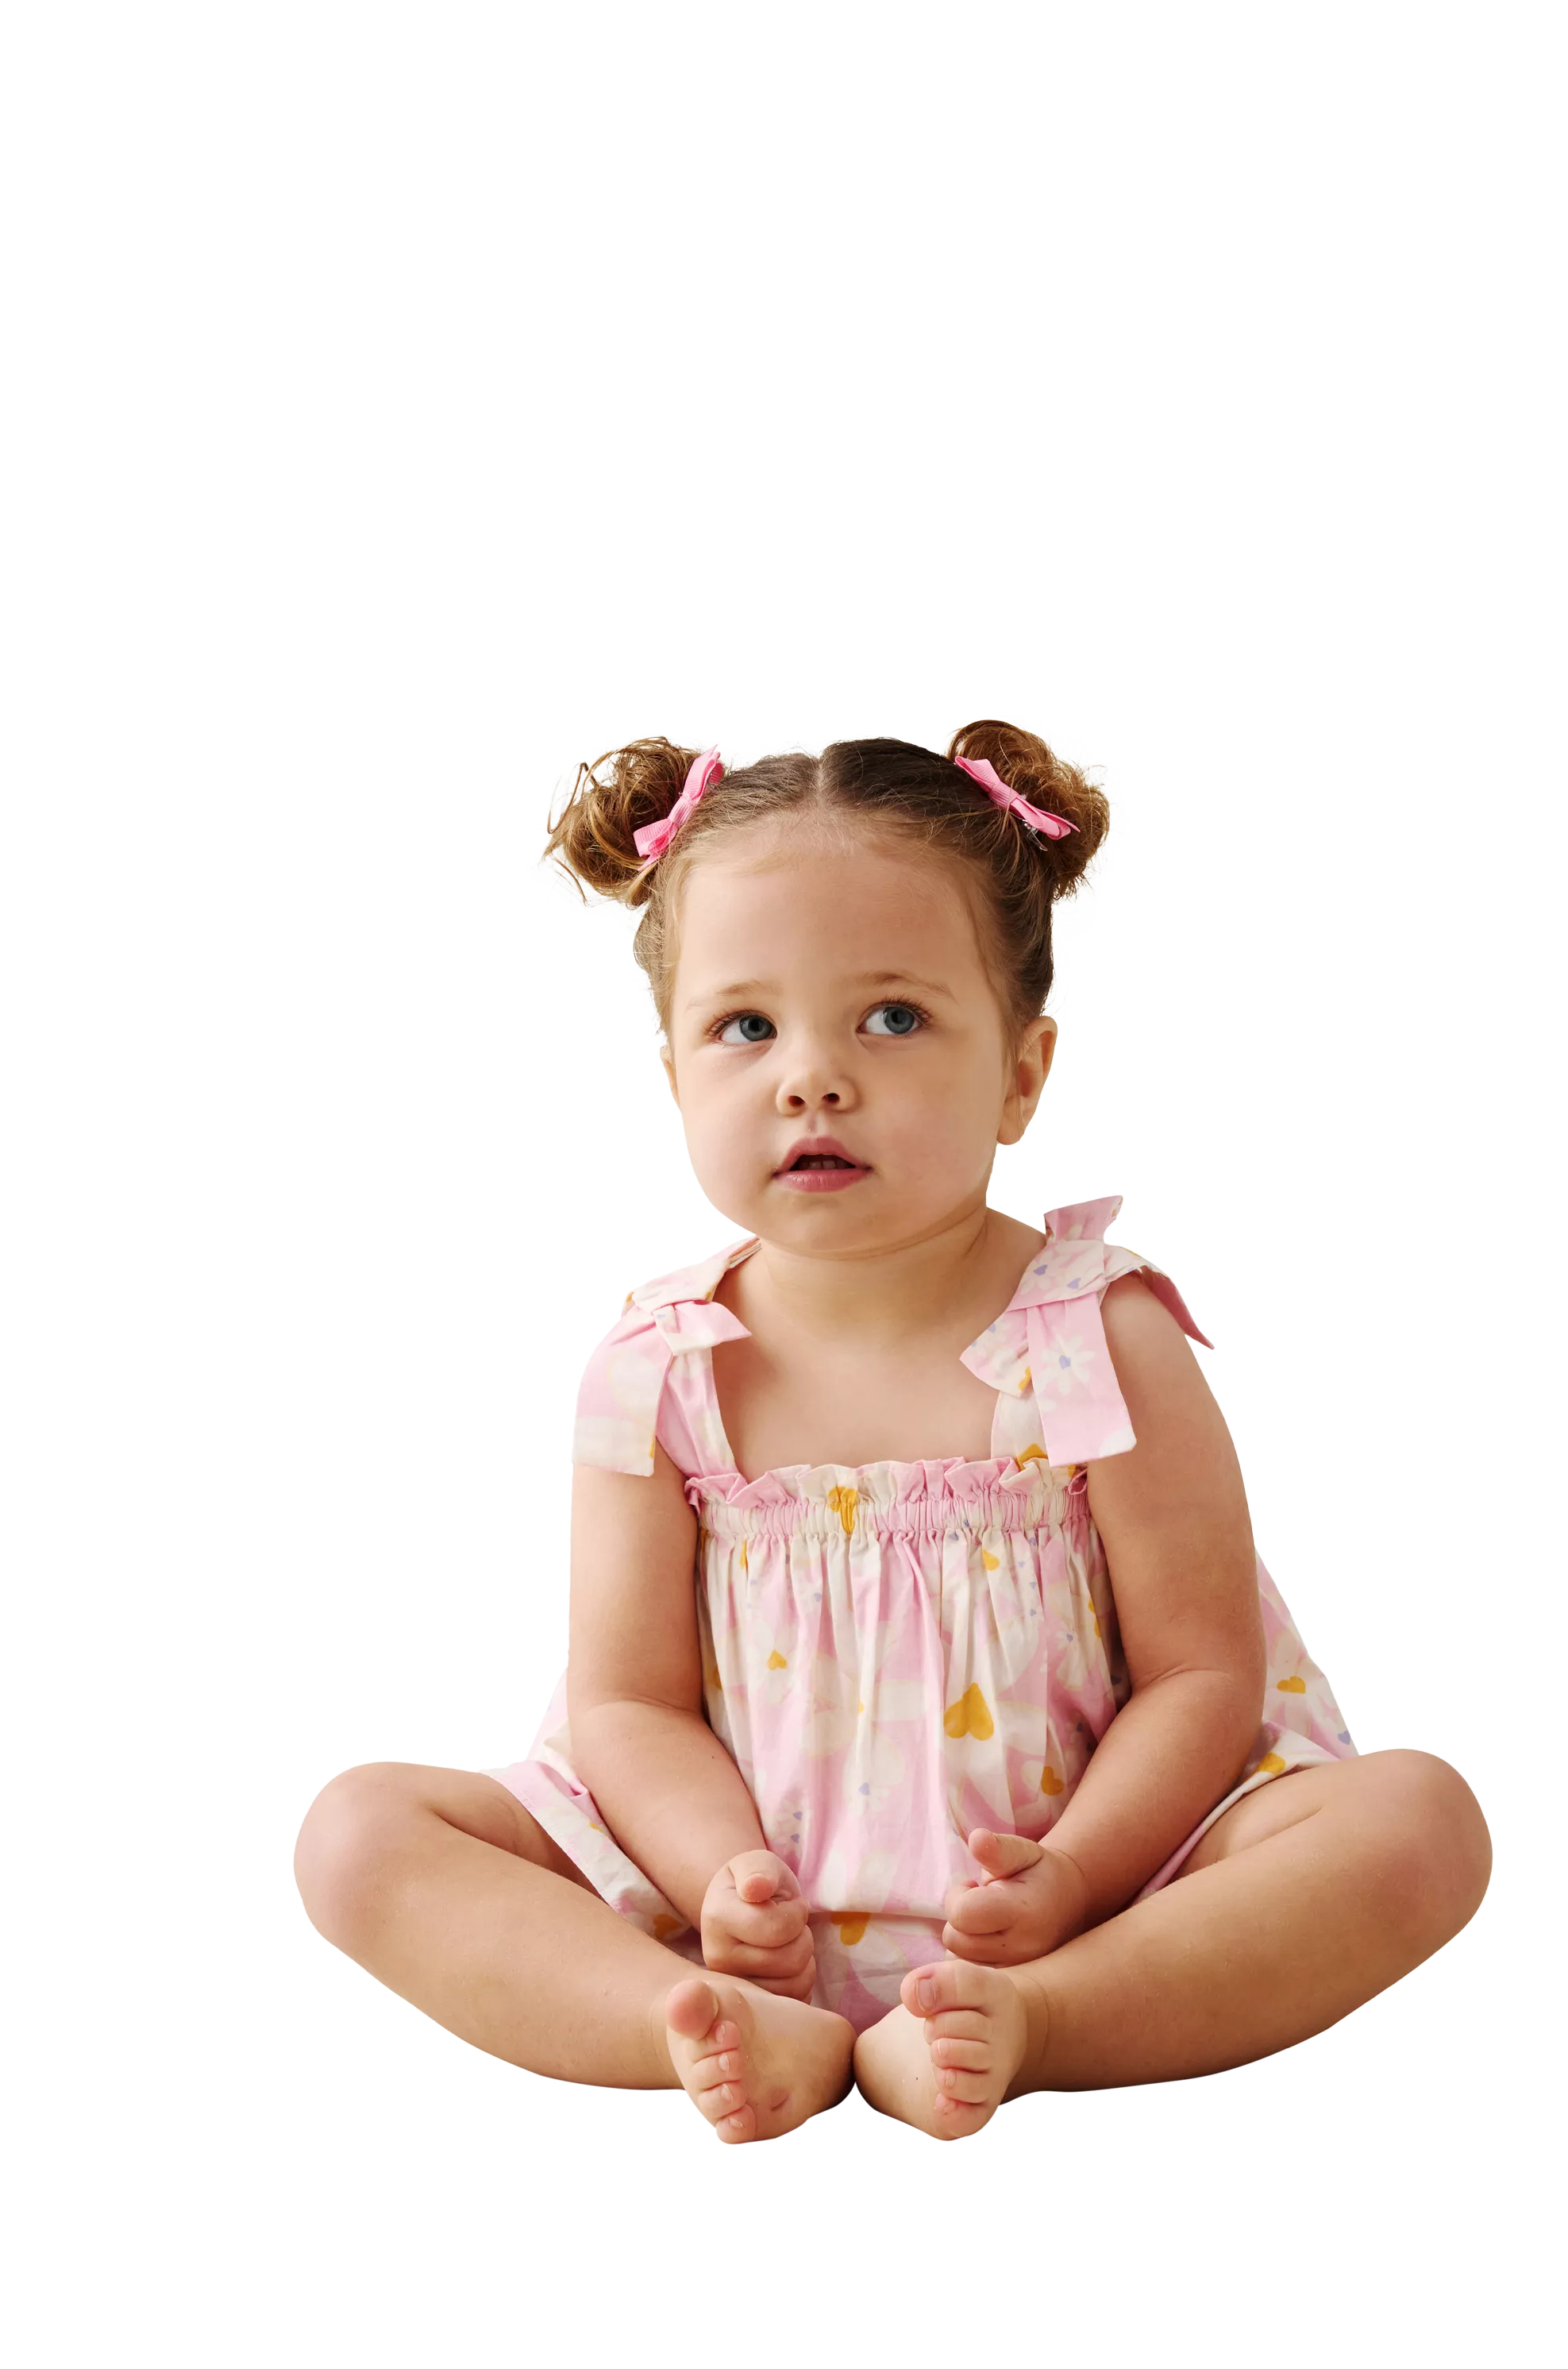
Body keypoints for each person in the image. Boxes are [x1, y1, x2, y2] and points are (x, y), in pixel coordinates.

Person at [295, 724, 1492, 2143]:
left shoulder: (1097, 1337)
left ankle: (1048, 2023)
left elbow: (1200, 1670)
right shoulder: (660, 1366)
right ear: (673, 1074)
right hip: (734, 1909)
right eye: (746, 1027)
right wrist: (721, 1879)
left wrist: (1068, 1880)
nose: (811, 1077)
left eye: (892, 1018)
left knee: (1416, 1824)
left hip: (1083, 1896)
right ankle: (694, 2023)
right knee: (359, 1836)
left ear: (1020, 1074)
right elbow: (626, 1704)